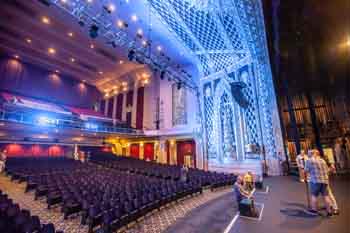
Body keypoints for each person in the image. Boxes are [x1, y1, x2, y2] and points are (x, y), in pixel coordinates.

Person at [304, 150, 333, 216]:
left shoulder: (309, 160)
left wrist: (305, 178)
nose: (309, 154)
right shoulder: (322, 160)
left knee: (314, 195)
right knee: (326, 196)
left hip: (315, 181)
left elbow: (305, 170)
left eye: (310, 153)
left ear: (313, 154)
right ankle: (329, 211)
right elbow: (327, 170)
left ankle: (314, 210)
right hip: (325, 181)